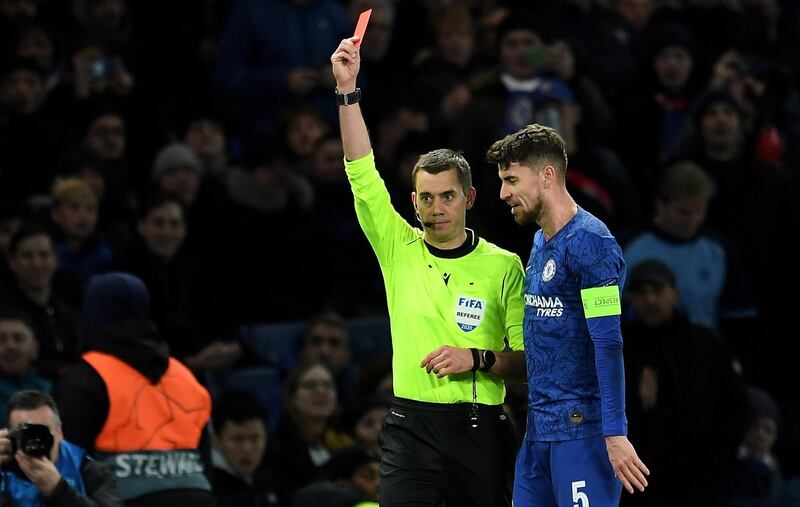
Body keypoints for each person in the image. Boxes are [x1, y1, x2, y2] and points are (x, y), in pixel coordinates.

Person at [331, 36, 526, 507]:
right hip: (410, 427)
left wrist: (475, 358)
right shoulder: (398, 246)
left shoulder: (504, 266)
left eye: (447, 196)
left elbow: (528, 363)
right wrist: (347, 90)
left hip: (480, 426)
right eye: (425, 197)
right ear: (413, 200)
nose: (435, 208)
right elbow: (360, 169)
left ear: (469, 199)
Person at [487, 123, 649, 505]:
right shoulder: (541, 239)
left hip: (583, 435)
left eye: (511, 180)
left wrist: (614, 433)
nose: (503, 193)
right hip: (538, 433)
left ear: (546, 175)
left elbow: (608, 343)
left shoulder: (592, 243)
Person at [53, 272, 214, 506]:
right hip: (198, 497)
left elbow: (68, 464)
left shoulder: (85, 377)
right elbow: (205, 461)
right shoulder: (185, 376)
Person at [0, 389, 121, 506]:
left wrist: (58, 490)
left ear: (59, 432)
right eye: (25, 433)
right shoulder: (4, 471)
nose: (34, 441)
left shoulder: (87, 470)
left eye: (43, 433)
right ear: (10, 435)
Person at [211, 391, 278, 507]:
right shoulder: (206, 488)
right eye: (237, 440)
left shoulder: (280, 470)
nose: (247, 449)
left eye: (255, 439)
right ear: (217, 440)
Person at [0, 309, 51, 426]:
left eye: (18, 339)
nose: (10, 346)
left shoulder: (52, 390)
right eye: (1, 339)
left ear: (35, 349)